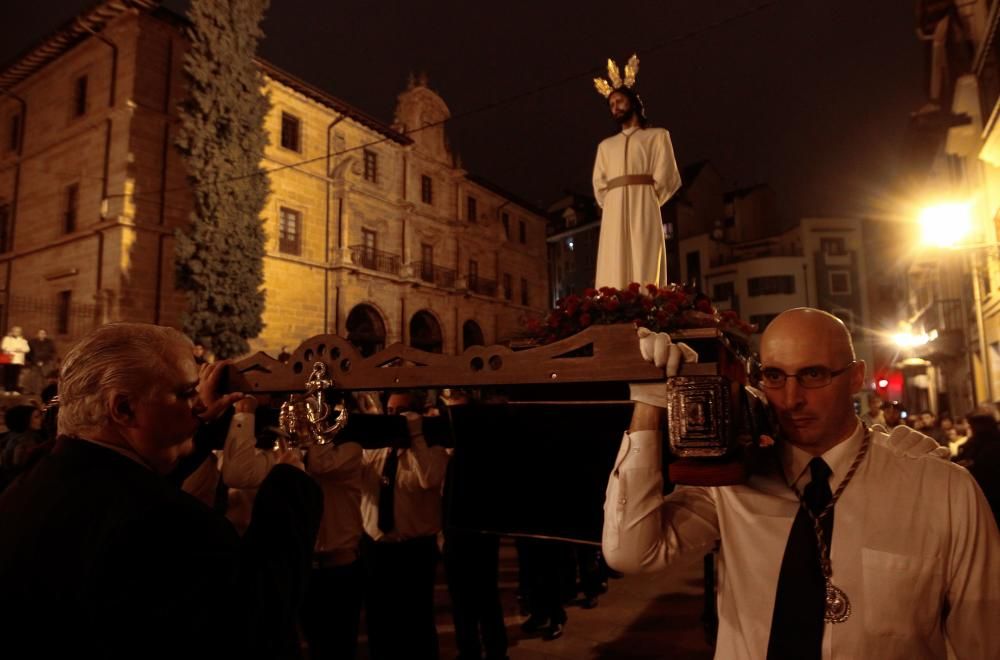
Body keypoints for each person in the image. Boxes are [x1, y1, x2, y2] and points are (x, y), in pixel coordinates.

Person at [603, 307, 1000, 659]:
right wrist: (648, 404)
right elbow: (630, 552)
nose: (791, 398)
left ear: (856, 377)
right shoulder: (732, 482)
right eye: (774, 376)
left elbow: (981, 641)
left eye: (813, 374)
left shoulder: (941, 490)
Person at [0, 322, 323, 660]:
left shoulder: (32, 483)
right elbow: (255, 624)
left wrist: (199, 424)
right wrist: (290, 487)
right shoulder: (166, 523)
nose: (196, 407)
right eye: (186, 394)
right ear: (123, 409)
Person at [222, 394, 366, 660]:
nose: (300, 416)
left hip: (338, 570)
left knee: (336, 650)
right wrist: (244, 416)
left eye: (311, 410)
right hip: (295, 569)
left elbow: (320, 462)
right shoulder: (282, 454)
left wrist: (308, 422)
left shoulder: (350, 451)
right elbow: (237, 474)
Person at [360, 390, 450, 660]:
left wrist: (416, 435)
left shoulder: (432, 449)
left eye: (400, 412)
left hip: (414, 552)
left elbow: (429, 479)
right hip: (376, 549)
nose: (393, 417)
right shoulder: (374, 450)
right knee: (379, 623)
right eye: (389, 411)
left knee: (416, 623)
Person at [591, 55, 681, 290]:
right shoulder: (606, 146)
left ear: (632, 102)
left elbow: (667, 175)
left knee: (645, 252)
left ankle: (648, 300)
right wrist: (614, 202)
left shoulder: (657, 136)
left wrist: (647, 199)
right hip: (614, 208)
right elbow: (599, 185)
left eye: (619, 101)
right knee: (615, 254)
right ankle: (613, 301)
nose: (615, 108)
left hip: (645, 203)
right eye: (611, 104)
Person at [26, 328, 57, 394]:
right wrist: (35, 361)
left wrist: (46, 361)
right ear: (37, 334)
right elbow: (29, 353)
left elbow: (52, 352)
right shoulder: (32, 342)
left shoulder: (49, 342)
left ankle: (46, 391)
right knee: (34, 377)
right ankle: (34, 391)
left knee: (45, 377)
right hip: (35, 362)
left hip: (46, 362)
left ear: (46, 335)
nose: (42, 335)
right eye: (40, 333)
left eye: (43, 333)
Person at [1, 325, 29, 394]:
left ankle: (14, 390)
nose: (17, 332)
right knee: (8, 375)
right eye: (15, 331)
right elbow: (4, 347)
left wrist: (19, 349)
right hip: (9, 359)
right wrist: (16, 349)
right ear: (12, 331)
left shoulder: (23, 340)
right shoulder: (7, 339)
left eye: (18, 331)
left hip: (17, 360)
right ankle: (7, 390)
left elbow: (27, 349)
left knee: (15, 375)